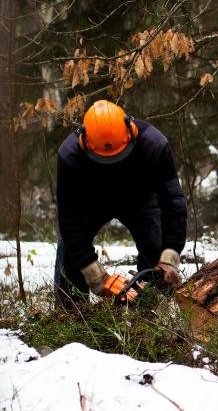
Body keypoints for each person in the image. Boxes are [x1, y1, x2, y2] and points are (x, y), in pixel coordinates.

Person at [54, 99, 187, 307]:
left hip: (140, 199)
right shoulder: (69, 156)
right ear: (84, 142)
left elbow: (173, 203)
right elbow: (69, 218)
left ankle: (147, 309)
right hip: (90, 203)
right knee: (70, 256)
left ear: (131, 132)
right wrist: (93, 272)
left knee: (156, 249)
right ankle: (70, 313)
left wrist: (171, 254)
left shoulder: (154, 145)